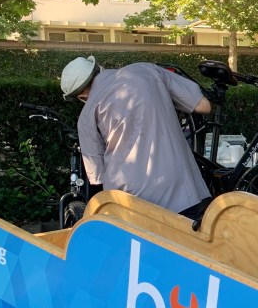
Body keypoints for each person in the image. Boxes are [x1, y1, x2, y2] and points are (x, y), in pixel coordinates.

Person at [60, 56, 214, 220]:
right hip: (182, 189)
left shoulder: (87, 116)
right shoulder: (147, 70)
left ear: (82, 94)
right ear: (98, 68)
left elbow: (97, 176)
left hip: (131, 202)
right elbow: (203, 106)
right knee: (188, 235)